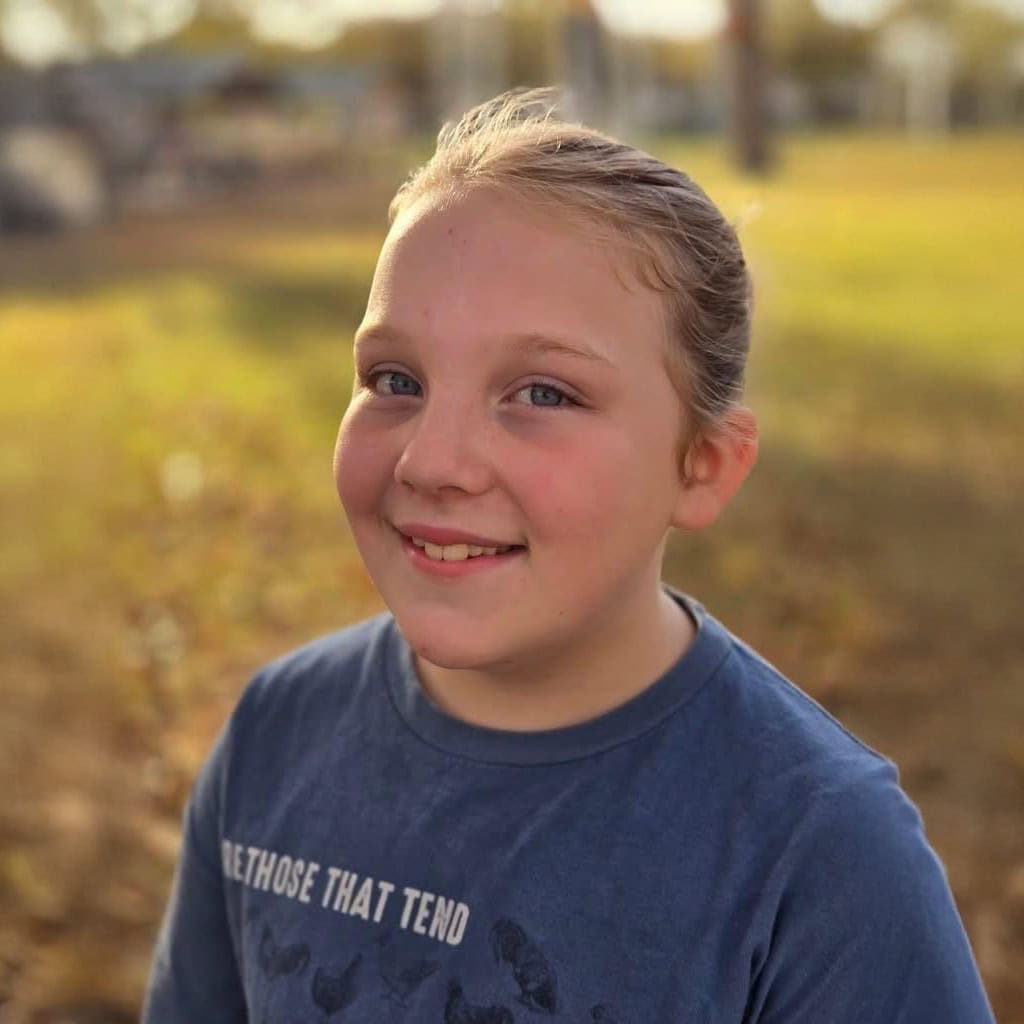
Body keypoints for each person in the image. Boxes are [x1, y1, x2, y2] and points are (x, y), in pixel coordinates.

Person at [143, 90, 994, 1022]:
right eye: (395, 380)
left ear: (702, 467)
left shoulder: (818, 853)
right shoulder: (276, 734)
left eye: (542, 393)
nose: (433, 461)